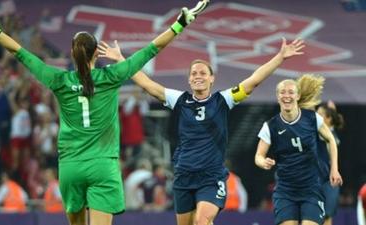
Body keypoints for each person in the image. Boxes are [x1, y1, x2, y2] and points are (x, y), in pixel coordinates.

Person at [0, 0, 210, 224]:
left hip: (70, 167)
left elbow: (21, 53)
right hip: (102, 166)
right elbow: (152, 49)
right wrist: (180, 23)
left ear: (73, 54)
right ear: (97, 53)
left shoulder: (58, 79)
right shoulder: (112, 76)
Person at [99, 35, 305, 225]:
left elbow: (253, 81)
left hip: (211, 177)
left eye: (203, 73)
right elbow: (147, 84)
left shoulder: (222, 100)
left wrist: (280, 57)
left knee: (201, 221)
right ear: (189, 79)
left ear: (212, 78)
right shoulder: (180, 100)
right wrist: (120, 59)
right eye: (194, 73)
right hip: (184, 176)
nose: (198, 76)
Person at [255, 74, 343, 225]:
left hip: (311, 189)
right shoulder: (270, 126)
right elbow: (258, 155)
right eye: (282, 92)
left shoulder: (312, 118)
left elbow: (331, 140)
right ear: (277, 97)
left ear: (298, 96)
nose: (286, 95)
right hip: (285, 191)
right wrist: (263, 162)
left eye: (290, 92)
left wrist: (334, 169)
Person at [316, 101, 344, 225]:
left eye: (320, 114)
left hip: (329, 182)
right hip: (314, 181)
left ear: (328, 119)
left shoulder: (332, 137)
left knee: (327, 216)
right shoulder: (313, 132)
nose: (316, 116)